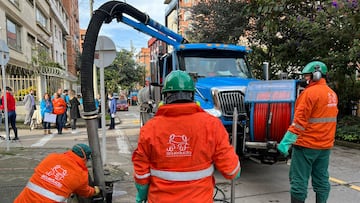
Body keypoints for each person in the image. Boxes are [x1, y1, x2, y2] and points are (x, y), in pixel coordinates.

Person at [132, 70, 241, 203]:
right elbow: (231, 171)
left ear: (165, 97)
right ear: (193, 96)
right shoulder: (212, 125)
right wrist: (236, 170)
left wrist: (142, 192)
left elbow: (141, 172)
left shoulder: (150, 129)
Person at [277, 61, 338, 203]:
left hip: (306, 146)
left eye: (307, 76)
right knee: (322, 180)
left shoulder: (309, 93)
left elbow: (299, 122)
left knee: (298, 182)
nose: (306, 79)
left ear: (316, 75)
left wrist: (285, 142)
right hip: (325, 147)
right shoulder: (332, 94)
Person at [14, 143, 101, 202]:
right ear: (85, 159)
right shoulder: (80, 174)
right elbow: (85, 192)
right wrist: (95, 191)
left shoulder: (51, 157)